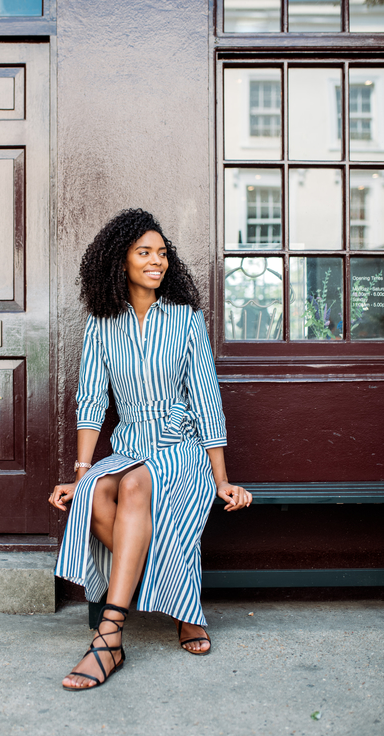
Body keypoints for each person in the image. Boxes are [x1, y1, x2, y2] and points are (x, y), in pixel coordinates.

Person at [49, 209, 252, 691]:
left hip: (180, 447)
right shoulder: (102, 324)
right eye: (144, 253)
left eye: (162, 253)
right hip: (131, 442)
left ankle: (109, 637)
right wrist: (82, 471)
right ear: (121, 261)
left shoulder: (186, 320)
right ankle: (182, 598)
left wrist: (220, 479)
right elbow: (92, 399)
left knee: (137, 485)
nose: (156, 261)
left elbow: (205, 398)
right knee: (94, 495)